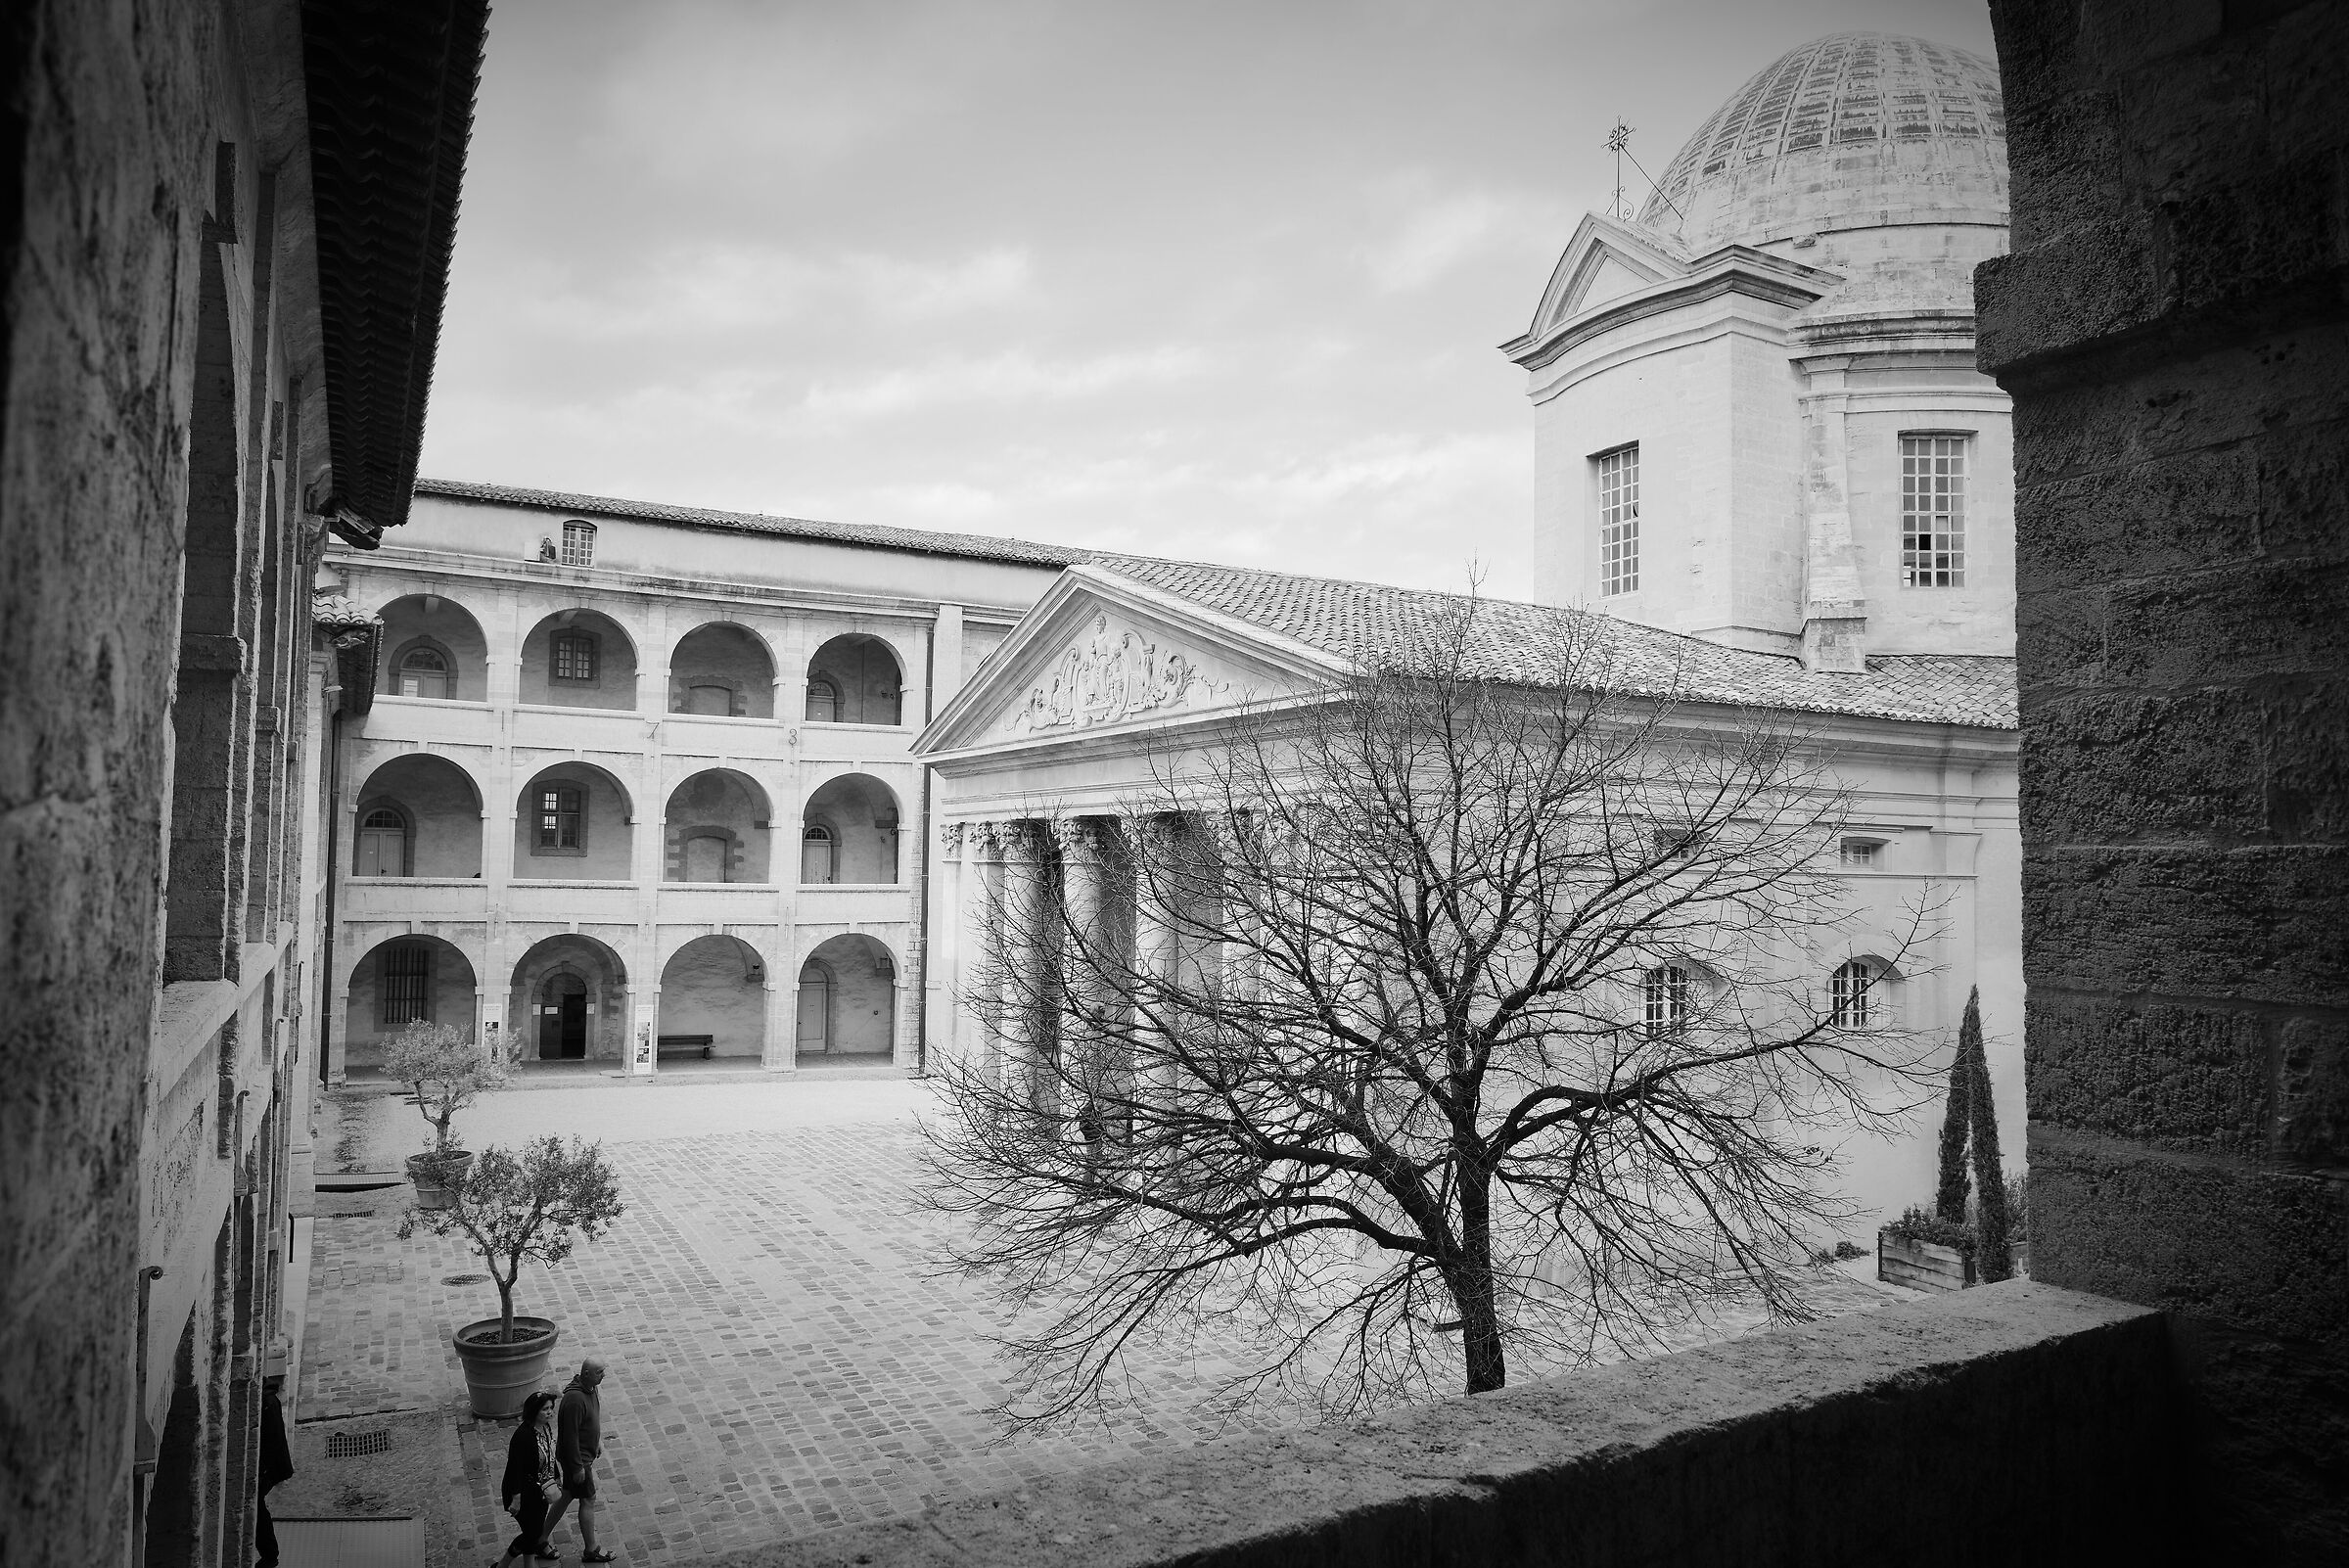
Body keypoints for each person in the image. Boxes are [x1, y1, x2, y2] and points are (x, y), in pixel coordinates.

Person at [546, 1358, 612, 1562]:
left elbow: (590, 1419)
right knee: (588, 1499)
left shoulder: (591, 1388)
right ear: (586, 1374)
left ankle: (539, 1538)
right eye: (600, 1372)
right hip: (579, 1460)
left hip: (583, 1455)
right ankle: (591, 1549)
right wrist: (577, 1467)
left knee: (566, 1496)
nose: (604, 1375)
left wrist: (597, 1440)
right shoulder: (574, 1400)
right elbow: (569, 1436)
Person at [494, 1391, 562, 1568]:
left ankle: (528, 1565)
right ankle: (502, 1565)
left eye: (551, 1408)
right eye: (545, 1409)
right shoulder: (523, 1436)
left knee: (534, 1530)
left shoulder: (546, 1428)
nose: (549, 1412)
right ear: (534, 1411)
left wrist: (557, 1478)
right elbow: (514, 1469)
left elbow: (549, 1455)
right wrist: (516, 1498)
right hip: (523, 1492)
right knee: (532, 1533)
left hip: (540, 1491)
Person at [256, 1374, 294, 1567]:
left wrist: (264, 1472)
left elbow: (271, 1442)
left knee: (257, 1508)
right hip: (269, 1467)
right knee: (257, 1508)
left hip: (268, 1468)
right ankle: (269, 1554)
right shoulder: (268, 1400)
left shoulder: (267, 1403)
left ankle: (270, 1556)